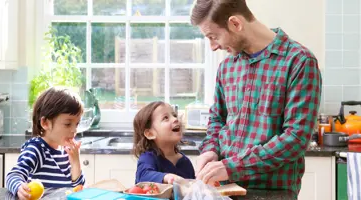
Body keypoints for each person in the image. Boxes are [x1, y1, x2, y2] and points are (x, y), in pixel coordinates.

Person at [190, 0, 322, 195]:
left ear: (235, 23)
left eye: (213, 36)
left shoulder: (299, 61)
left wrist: (232, 167)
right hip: (223, 189)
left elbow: (295, 138)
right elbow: (217, 119)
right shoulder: (227, 66)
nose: (212, 47)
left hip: (270, 193)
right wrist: (211, 149)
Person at [5, 87, 85, 200]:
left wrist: (76, 162)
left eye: (76, 124)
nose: (74, 130)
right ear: (45, 123)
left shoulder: (66, 151)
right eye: (68, 124)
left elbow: (78, 188)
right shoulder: (37, 148)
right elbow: (13, 175)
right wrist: (19, 188)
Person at [133, 101, 195, 184]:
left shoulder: (185, 162)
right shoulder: (148, 158)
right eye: (165, 118)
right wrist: (167, 177)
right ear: (150, 134)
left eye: (174, 115)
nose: (175, 119)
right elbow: (143, 176)